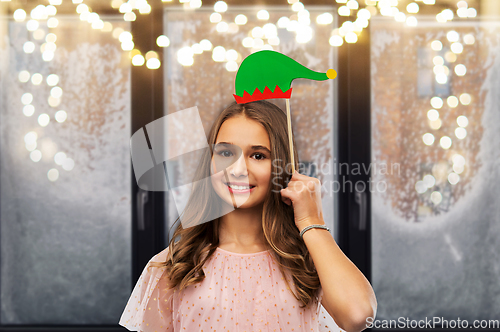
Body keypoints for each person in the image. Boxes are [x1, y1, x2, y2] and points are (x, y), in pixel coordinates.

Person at [118, 100, 377, 332]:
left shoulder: (310, 263)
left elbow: (357, 316)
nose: (238, 169)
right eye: (226, 153)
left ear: (282, 167)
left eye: (257, 155)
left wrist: (311, 222)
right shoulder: (174, 265)